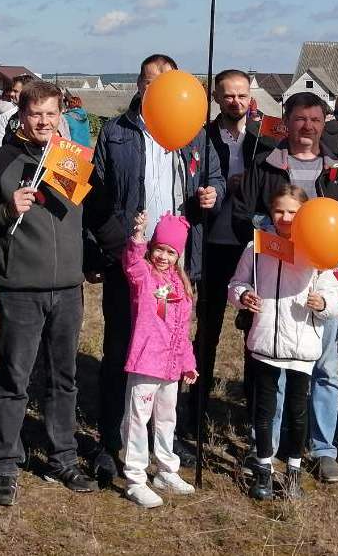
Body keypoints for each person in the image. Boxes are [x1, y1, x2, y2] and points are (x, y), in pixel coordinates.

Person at [84, 53, 222, 483]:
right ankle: (111, 440)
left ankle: (166, 439)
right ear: (139, 85)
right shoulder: (118, 131)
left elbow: (214, 176)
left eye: (165, 82)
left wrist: (210, 194)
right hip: (133, 263)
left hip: (176, 265)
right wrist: (107, 250)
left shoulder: (194, 134)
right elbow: (97, 195)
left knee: (173, 351)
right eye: (147, 81)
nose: (155, 89)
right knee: (122, 350)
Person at [231, 91, 338, 484]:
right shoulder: (267, 165)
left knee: (324, 367)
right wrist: (272, 245)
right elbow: (246, 216)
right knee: (272, 368)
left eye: (314, 119)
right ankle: (268, 447)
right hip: (276, 288)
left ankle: (323, 448)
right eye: (299, 119)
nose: (307, 126)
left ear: (324, 122)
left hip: (318, 286)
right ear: (287, 121)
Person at [0, 81, 98, 506]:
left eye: (51, 114)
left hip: (67, 287)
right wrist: (8, 208)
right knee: (14, 379)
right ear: (21, 115)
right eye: (36, 114)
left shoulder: (73, 159)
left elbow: (86, 215)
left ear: (60, 114)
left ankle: (62, 457)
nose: (44, 122)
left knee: (63, 379)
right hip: (20, 288)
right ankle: (5, 464)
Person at [229, 186, 338, 501]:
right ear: (270, 212)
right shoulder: (257, 246)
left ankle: (293, 471)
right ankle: (264, 469)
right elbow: (237, 282)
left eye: (292, 212)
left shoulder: (317, 251)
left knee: (296, 412)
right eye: (279, 211)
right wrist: (243, 296)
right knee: (263, 411)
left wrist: (322, 303)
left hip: (301, 347)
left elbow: (335, 299)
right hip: (265, 342)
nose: (285, 217)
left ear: (304, 215)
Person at [196, 68, 272, 437]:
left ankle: (253, 407)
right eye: (228, 95)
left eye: (242, 95)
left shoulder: (265, 138)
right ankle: (196, 400)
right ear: (216, 97)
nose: (236, 102)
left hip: (251, 244)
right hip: (213, 242)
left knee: (253, 328)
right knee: (207, 326)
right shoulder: (202, 137)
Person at [120, 211, 199, 508]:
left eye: (171, 252)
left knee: (167, 418)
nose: (164, 256)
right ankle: (135, 477)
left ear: (178, 255)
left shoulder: (181, 286)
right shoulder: (144, 276)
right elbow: (131, 262)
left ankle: (166, 470)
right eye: (159, 249)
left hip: (171, 367)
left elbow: (183, 329)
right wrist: (139, 237)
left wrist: (188, 363)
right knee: (138, 420)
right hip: (145, 362)